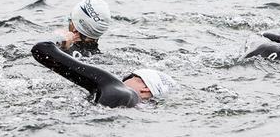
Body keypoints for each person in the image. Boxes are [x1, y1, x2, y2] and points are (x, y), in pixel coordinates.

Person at [31, 41, 176, 108]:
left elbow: (41, 50)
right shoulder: (137, 107)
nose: (122, 79)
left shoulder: (120, 91)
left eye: (129, 77)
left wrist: (62, 44)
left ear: (144, 88)